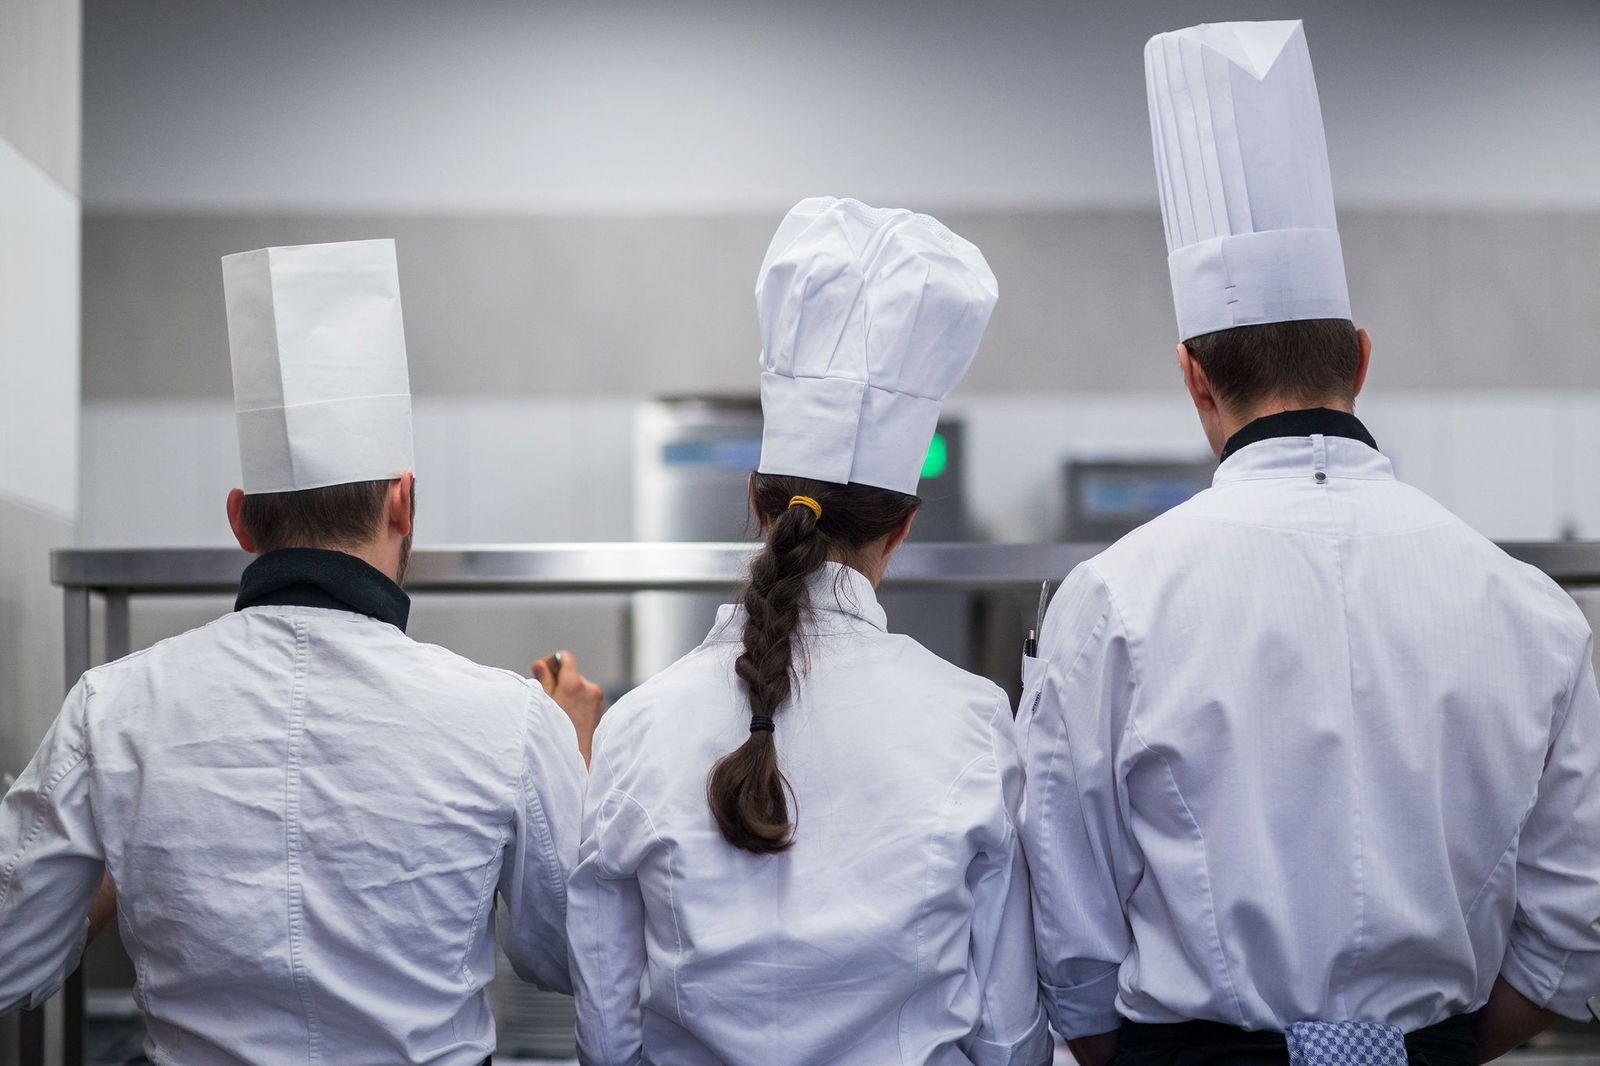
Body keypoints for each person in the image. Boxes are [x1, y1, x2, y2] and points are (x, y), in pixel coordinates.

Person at [1020, 20, 1600, 1066]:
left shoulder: (1114, 598)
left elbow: (1067, 920)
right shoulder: (1527, 606)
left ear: (1196, 380)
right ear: (1361, 359)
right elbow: (1572, 928)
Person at [0, 239, 603, 1064]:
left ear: (241, 519)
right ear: (405, 504)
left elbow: (7, 954)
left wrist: (126, 845)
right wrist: (571, 754)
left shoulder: (115, 710)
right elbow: (575, 951)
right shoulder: (509, 719)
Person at [567, 197, 1052, 1066]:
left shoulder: (638, 728)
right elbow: (1008, 1038)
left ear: (753, 502)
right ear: (903, 528)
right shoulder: (972, 721)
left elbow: (605, 1033)